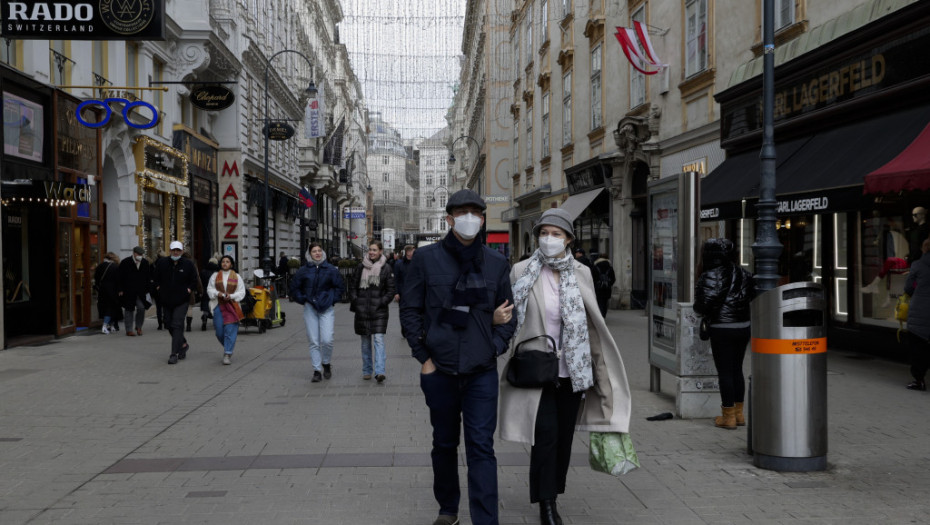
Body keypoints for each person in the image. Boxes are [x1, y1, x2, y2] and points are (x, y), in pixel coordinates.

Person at [498, 208, 632, 525]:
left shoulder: (581, 273)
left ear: (568, 239)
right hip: (537, 368)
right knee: (545, 436)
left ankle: (553, 491)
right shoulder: (521, 271)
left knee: (563, 439)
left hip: (574, 370)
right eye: (544, 233)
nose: (549, 239)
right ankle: (546, 505)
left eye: (556, 234)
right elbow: (511, 315)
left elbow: (592, 324)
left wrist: (601, 375)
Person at [399, 189, 517, 525]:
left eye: (476, 212)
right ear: (449, 219)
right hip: (441, 367)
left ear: (482, 219)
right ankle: (448, 508)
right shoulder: (425, 259)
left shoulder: (495, 263)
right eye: (462, 212)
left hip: (482, 370)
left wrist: (495, 346)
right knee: (444, 442)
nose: (470, 218)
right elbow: (410, 310)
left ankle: (485, 519)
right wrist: (423, 356)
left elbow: (510, 315)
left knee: (481, 446)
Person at [694, 238, 755, 429]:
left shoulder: (709, 275)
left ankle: (727, 416)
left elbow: (703, 304)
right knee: (737, 369)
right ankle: (739, 414)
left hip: (722, 328)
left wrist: (701, 309)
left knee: (725, 372)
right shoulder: (744, 273)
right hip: (743, 326)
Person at [291, 242, 345, 383]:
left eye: (319, 250)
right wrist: (303, 299)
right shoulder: (304, 270)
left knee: (327, 339)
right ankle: (316, 370)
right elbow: (294, 287)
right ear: (309, 254)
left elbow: (340, 286)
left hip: (326, 307)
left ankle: (326, 363)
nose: (317, 253)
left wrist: (332, 299)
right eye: (314, 251)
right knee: (313, 340)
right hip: (310, 307)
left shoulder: (330, 269)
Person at [349, 241, 396, 382]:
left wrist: (381, 302)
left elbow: (391, 290)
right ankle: (367, 370)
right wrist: (356, 301)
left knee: (378, 340)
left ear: (380, 251)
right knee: (365, 342)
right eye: (370, 250)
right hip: (362, 310)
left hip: (379, 311)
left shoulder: (386, 268)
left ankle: (380, 371)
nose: (371, 252)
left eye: (375, 250)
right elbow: (353, 286)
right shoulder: (360, 267)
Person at [153, 241, 200, 364]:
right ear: (170, 251)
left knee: (177, 324)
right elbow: (155, 278)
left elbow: (194, 279)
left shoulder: (188, 264)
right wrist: (158, 288)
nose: (176, 252)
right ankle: (183, 344)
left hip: (182, 300)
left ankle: (174, 353)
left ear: (182, 251)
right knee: (168, 323)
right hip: (166, 300)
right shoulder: (162, 263)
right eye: (174, 250)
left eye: (178, 250)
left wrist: (189, 289)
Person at [207, 255, 246, 365]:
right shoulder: (215, 276)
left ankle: (227, 353)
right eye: (223, 261)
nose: (225, 263)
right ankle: (229, 346)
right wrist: (217, 293)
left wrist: (232, 296)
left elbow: (242, 292)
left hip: (232, 306)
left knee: (230, 330)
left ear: (231, 264)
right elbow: (209, 289)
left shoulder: (237, 276)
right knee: (219, 332)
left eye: (227, 261)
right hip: (218, 305)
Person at [903, 238, 930, 391]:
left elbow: (908, 288)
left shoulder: (918, 265)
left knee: (917, 347)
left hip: (919, 312)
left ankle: (919, 380)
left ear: (924, 249)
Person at [117, 246, 153, 336]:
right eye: (138, 254)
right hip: (128, 291)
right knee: (129, 310)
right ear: (134, 253)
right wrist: (120, 289)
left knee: (141, 308)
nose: (140, 256)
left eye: (141, 254)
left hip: (141, 291)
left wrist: (148, 290)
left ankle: (139, 326)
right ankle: (129, 330)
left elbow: (148, 277)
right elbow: (119, 277)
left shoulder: (145, 263)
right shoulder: (125, 262)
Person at [94, 252, 121, 334]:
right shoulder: (115, 266)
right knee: (111, 308)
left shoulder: (99, 266)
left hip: (102, 290)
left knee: (105, 307)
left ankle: (111, 325)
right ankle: (105, 326)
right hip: (112, 290)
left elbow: (96, 278)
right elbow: (118, 279)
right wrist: (120, 290)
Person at [591, 253, 616, 318]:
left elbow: (592, 277)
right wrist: (609, 284)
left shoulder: (595, 266)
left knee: (599, 302)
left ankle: (599, 316)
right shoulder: (610, 267)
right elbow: (613, 278)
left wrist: (595, 284)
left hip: (598, 288)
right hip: (607, 288)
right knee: (605, 302)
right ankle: (603, 315)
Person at [183, 252, 203, 332]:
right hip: (190, 290)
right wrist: (200, 290)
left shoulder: (179, 264)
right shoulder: (192, 265)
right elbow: (197, 278)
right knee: (190, 307)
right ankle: (188, 325)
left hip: (179, 290)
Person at [199, 257, 220, 331]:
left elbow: (200, 282)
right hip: (214, 291)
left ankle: (205, 316)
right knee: (215, 306)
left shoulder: (203, 271)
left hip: (205, 291)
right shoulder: (217, 273)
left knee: (205, 306)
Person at [151, 250, 168, 330]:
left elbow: (153, 276)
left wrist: (156, 285)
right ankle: (166, 322)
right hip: (165, 287)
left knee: (158, 307)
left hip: (157, 288)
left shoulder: (154, 264)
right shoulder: (167, 263)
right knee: (165, 306)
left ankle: (160, 324)